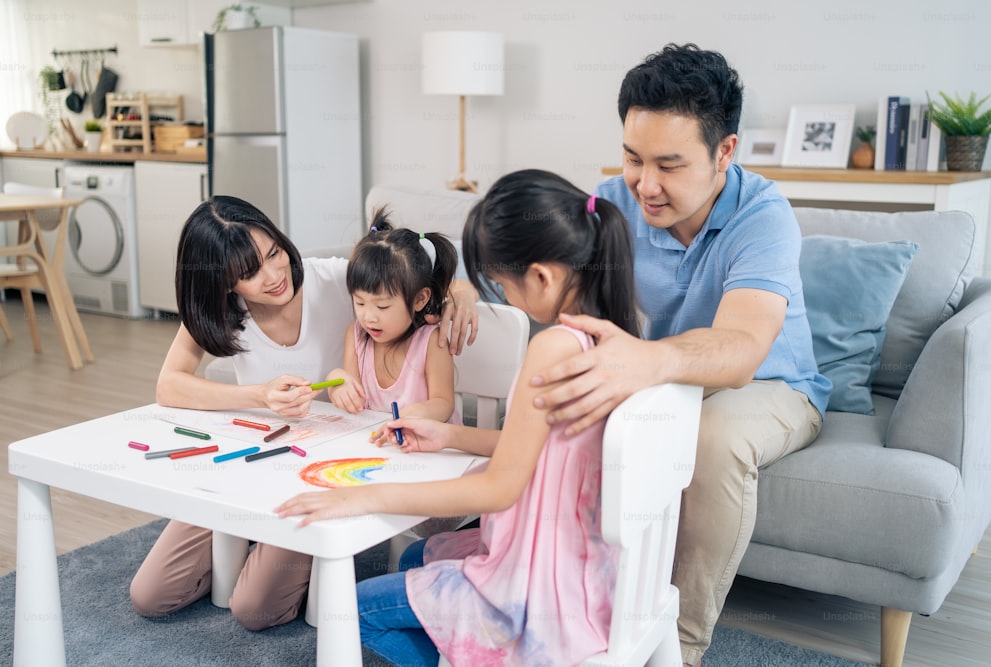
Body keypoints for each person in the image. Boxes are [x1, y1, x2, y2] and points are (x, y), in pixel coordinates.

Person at [527, 44, 832, 666]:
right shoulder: (611, 201)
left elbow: (744, 348)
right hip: (670, 374)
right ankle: (559, 602)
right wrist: (453, 281)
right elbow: (534, 263)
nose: (646, 184)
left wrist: (645, 361)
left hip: (770, 387)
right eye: (633, 158)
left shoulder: (763, 216)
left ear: (725, 151)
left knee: (712, 437)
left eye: (669, 164)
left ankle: (680, 648)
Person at [276, 169, 641, 666]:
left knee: (349, 609)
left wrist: (366, 496)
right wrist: (448, 433)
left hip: (537, 590)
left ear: (542, 277)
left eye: (502, 284)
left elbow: (499, 489)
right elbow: (538, 450)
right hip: (592, 568)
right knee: (412, 557)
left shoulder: (554, 346)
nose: (504, 296)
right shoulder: (619, 338)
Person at [130, 195, 479, 631]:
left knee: (254, 608)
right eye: (249, 273)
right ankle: (252, 531)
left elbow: (411, 274)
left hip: (322, 470)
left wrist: (461, 291)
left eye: (274, 252)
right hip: (254, 461)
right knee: (151, 595)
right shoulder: (221, 309)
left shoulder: (334, 280)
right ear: (222, 282)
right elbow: (169, 386)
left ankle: (271, 540)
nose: (274, 276)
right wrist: (259, 395)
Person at [323, 207, 463, 426]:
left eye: (382, 306)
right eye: (359, 302)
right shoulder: (356, 335)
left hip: (433, 449)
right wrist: (337, 381)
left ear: (419, 299)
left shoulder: (432, 342)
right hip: (382, 449)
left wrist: (419, 413)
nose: (368, 317)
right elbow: (354, 395)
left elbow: (444, 403)